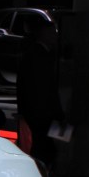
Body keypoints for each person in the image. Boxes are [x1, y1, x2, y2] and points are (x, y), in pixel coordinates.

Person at [17, 17, 64, 168]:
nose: (56, 35)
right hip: (43, 113)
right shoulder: (40, 56)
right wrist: (58, 113)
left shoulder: (33, 53)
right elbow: (44, 88)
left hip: (38, 112)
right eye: (53, 32)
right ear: (44, 34)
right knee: (46, 147)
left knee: (43, 145)